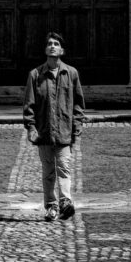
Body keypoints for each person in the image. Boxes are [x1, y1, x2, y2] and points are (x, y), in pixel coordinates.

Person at [22, 31, 85, 222]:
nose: (52, 46)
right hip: (44, 131)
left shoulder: (71, 73)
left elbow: (78, 103)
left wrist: (78, 123)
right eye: (49, 43)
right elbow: (29, 105)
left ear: (62, 50)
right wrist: (31, 127)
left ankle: (66, 202)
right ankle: (51, 206)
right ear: (45, 49)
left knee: (64, 167)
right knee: (48, 171)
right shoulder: (35, 75)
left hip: (64, 130)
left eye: (56, 44)